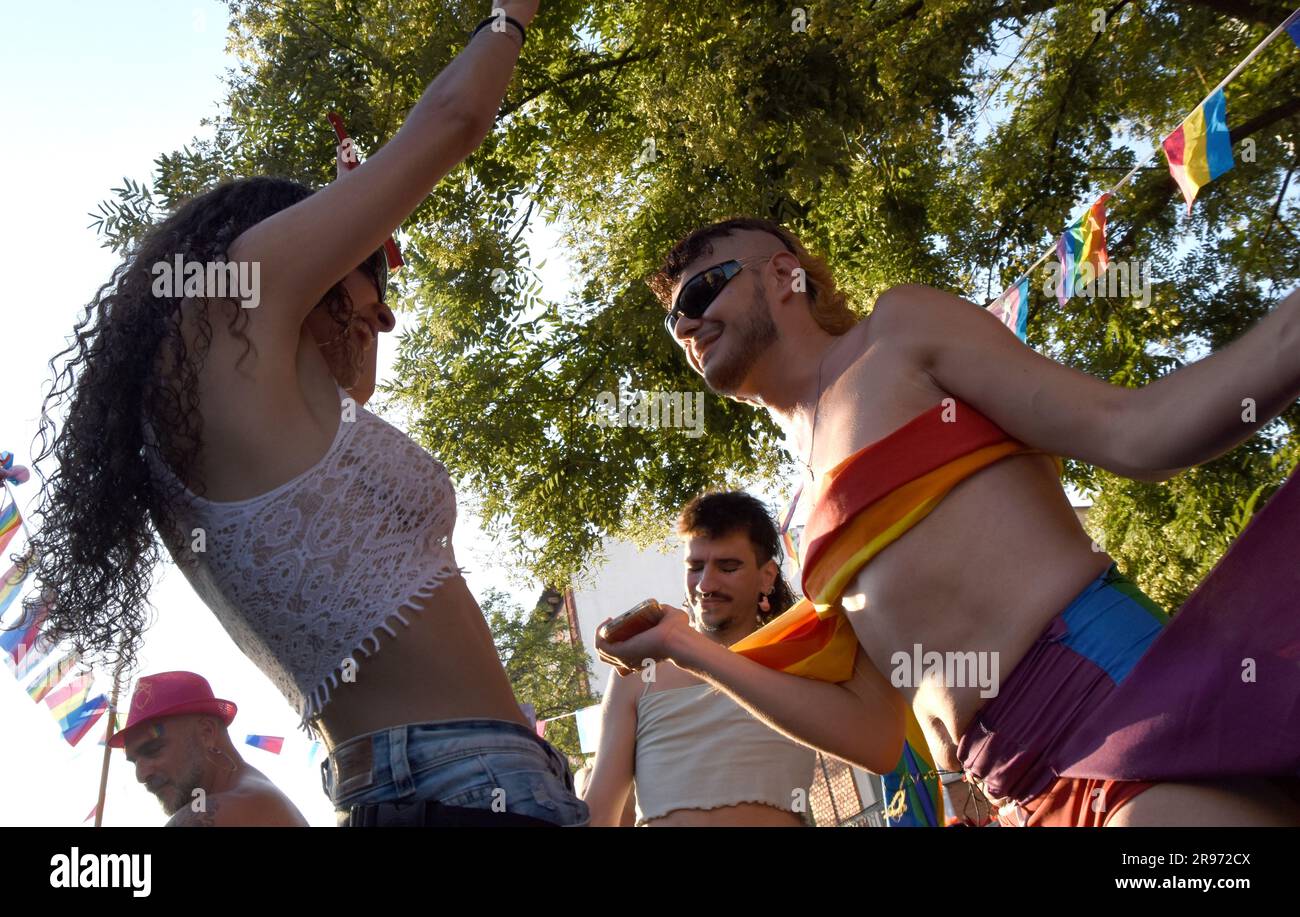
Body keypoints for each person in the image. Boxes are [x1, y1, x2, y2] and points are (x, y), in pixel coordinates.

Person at [31, 0, 586, 827]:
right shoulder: (235, 304)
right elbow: (456, 116)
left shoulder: (215, 420)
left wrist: (354, 312)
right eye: (372, 278)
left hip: (424, 787)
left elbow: (350, 396)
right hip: (466, 786)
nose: (385, 316)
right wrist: (510, 15)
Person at [598, 217, 1300, 826]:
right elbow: (873, 732)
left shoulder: (897, 334)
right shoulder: (804, 515)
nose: (686, 321)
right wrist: (685, 647)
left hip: (1112, 708)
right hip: (1007, 788)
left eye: (700, 290)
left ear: (784, 275)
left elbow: (1136, 432)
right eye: (674, 318)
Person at [583, 492, 815, 827]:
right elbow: (600, 812)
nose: (705, 584)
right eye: (695, 567)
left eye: (728, 567)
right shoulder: (636, 672)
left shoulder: (800, 657)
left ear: (767, 576)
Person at [112, 671, 307, 827]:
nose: (141, 775)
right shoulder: (255, 796)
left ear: (206, 732)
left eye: (153, 749)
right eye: (134, 761)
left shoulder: (216, 812)